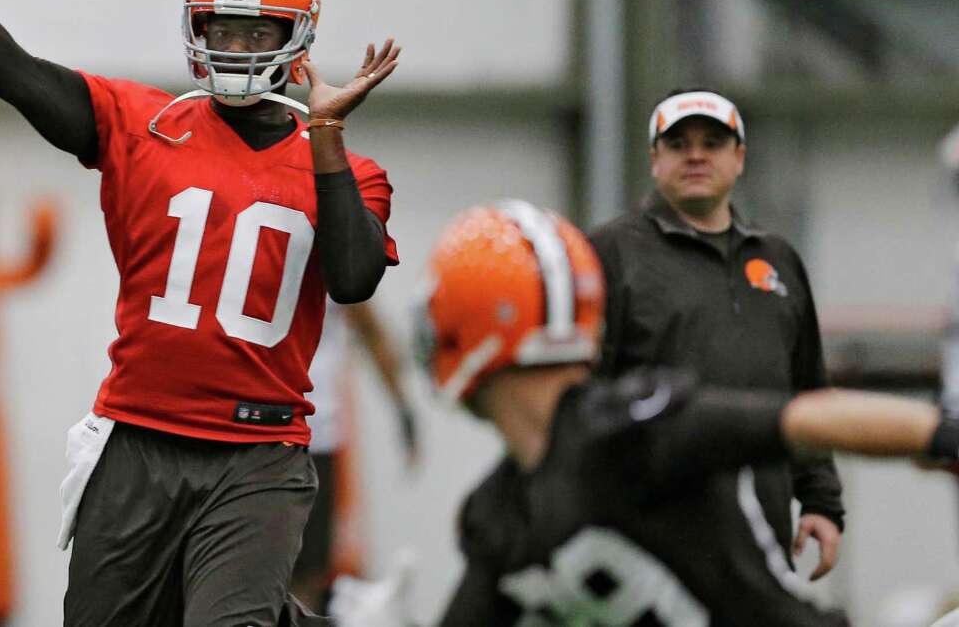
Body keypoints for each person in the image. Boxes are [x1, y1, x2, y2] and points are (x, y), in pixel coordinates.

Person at [0, 0, 400, 627]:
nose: (235, 48)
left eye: (256, 32)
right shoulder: (146, 124)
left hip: (258, 451)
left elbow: (354, 279)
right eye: (221, 29)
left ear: (296, 39)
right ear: (195, 31)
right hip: (137, 443)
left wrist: (329, 136)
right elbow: (15, 71)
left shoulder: (347, 171)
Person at [407, 200, 959, 626]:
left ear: (473, 324)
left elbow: (806, 418)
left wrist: (942, 433)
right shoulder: (497, 514)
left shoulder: (630, 429)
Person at [588, 88, 845, 579]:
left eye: (713, 142)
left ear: (739, 157)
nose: (697, 155)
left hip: (762, 537)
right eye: (680, 144)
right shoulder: (609, 254)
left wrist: (820, 501)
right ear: (655, 159)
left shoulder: (778, 260)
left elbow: (808, 387)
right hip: (652, 539)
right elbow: (582, 398)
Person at [292, 298, 419, 612]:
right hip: (295, 431)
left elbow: (369, 327)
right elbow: (372, 330)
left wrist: (403, 407)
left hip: (312, 433)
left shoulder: (329, 255)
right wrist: (403, 408)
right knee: (295, 573)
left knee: (305, 572)